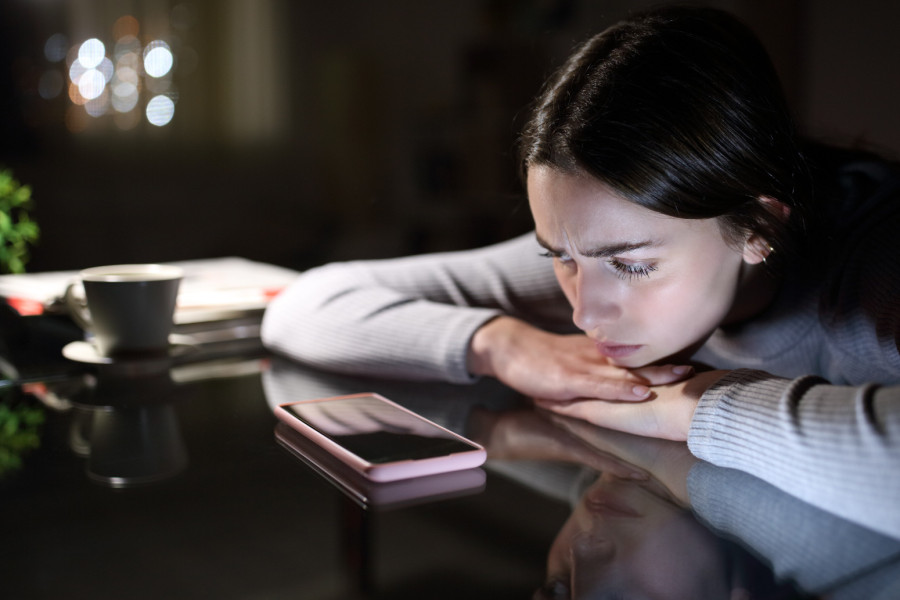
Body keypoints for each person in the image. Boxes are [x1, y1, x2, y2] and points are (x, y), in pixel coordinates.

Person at [262, 6, 900, 535]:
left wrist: (696, 408)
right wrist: (504, 345)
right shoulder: (614, 235)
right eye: (558, 257)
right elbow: (307, 305)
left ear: (758, 229)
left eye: (630, 265)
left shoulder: (876, 270)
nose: (584, 312)